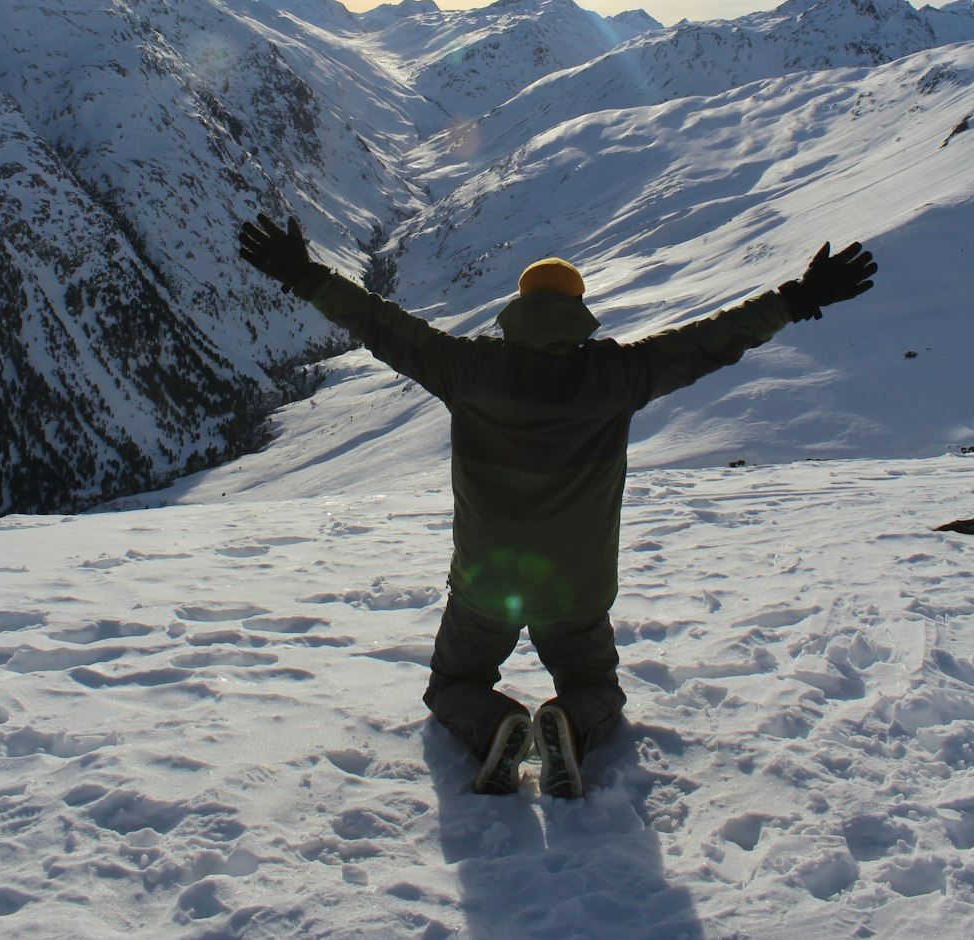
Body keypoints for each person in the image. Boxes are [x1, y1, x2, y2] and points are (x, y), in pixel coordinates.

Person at [238, 215, 876, 798]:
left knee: (452, 686)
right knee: (595, 687)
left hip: (486, 583)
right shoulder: (619, 376)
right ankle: (566, 723)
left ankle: (497, 726)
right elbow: (711, 340)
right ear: (578, 311)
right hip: (577, 587)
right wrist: (799, 298)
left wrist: (303, 273)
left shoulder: (466, 369)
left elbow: (379, 323)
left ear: (519, 307)